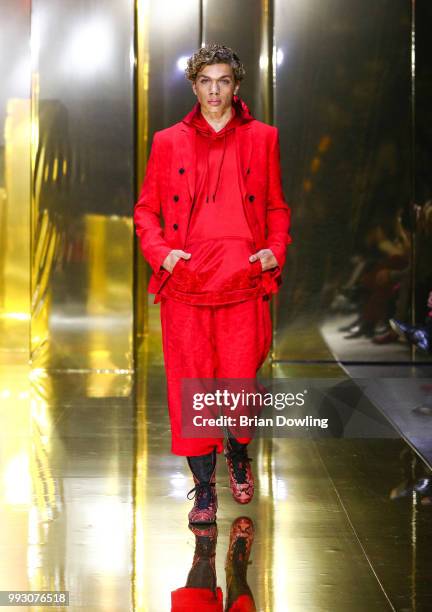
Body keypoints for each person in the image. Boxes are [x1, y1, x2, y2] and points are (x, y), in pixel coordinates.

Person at [134, 43, 292, 524]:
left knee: (241, 386)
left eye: (223, 81)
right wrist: (164, 255)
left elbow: (276, 207)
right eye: (206, 81)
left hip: (243, 279)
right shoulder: (167, 141)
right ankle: (204, 490)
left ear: (236, 85)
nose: (215, 90)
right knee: (193, 386)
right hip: (187, 281)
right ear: (194, 86)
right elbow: (146, 210)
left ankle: (238, 452)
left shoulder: (263, 137)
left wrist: (274, 250)